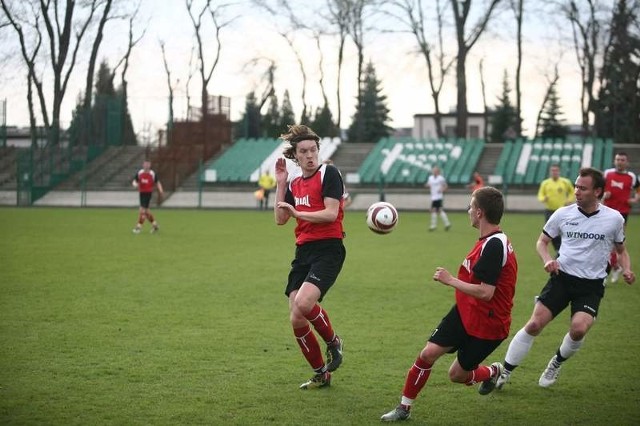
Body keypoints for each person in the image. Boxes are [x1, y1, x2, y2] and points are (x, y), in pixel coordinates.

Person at [380, 186, 518, 422]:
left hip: (490, 324)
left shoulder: (494, 245)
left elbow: (486, 292)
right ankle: (404, 408)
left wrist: (450, 280)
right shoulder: (488, 241)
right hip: (466, 312)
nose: (468, 211)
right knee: (428, 353)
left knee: (456, 375)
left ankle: (492, 371)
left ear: (480, 213)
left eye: (471, 206)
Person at [492, 167, 635, 391]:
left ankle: (556, 362)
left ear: (597, 191)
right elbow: (541, 242)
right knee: (534, 324)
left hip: (591, 285)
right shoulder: (563, 214)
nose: (577, 191)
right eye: (576, 186)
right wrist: (548, 260)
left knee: (579, 329)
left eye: (582, 188)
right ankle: (505, 372)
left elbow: (621, 250)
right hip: (562, 278)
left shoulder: (613, 219)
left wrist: (627, 269)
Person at [274, 124, 347, 390]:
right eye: (303, 151)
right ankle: (321, 373)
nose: (309, 155)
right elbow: (281, 219)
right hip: (303, 251)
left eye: (313, 150)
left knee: (304, 304)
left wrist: (299, 214)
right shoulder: (293, 181)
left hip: (329, 248)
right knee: (296, 316)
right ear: (295, 155)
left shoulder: (329, 173)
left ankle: (334, 342)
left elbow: (330, 213)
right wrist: (281, 185)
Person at [603, 152, 639, 282]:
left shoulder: (632, 176)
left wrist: (635, 198)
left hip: (622, 214)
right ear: (614, 160)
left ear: (627, 162)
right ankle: (614, 268)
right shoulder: (607, 173)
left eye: (622, 160)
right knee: (604, 242)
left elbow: (638, 188)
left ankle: (609, 271)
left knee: (617, 244)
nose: (619, 162)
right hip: (606, 212)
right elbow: (599, 187)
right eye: (617, 159)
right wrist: (603, 194)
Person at [537, 164, 575, 253]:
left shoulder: (565, 182)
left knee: (564, 230)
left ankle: (564, 248)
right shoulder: (545, 183)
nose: (554, 172)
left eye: (556, 170)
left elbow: (572, 192)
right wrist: (543, 198)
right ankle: (558, 249)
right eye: (552, 170)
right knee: (550, 231)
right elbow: (540, 195)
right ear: (550, 172)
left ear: (559, 171)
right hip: (549, 210)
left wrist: (569, 200)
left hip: (562, 211)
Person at [132, 160, 164, 234]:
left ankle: (138, 228)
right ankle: (155, 226)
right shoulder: (140, 173)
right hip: (141, 193)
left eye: (148, 164)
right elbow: (134, 181)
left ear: (150, 165)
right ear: (143, 165)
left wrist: (161, 190)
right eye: (145, 164)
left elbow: (158, 182)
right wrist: (135, 185)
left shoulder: (152, 173)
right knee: (146, 212)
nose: (146, 166)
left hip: (148, 193)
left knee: (142, 210)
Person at [425, 165, 451, 231]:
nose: (434, 171)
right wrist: (427, 185)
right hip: (433, 197)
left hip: (438, 197)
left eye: (435, 170)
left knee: (435, 210)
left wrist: (442, 190)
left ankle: (433, 226)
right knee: (438, 210)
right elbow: (429, 184)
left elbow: (445, 186)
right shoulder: (430, 178)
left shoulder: (440, 178)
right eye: (433, 170)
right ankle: (447, 224)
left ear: (438, 172)